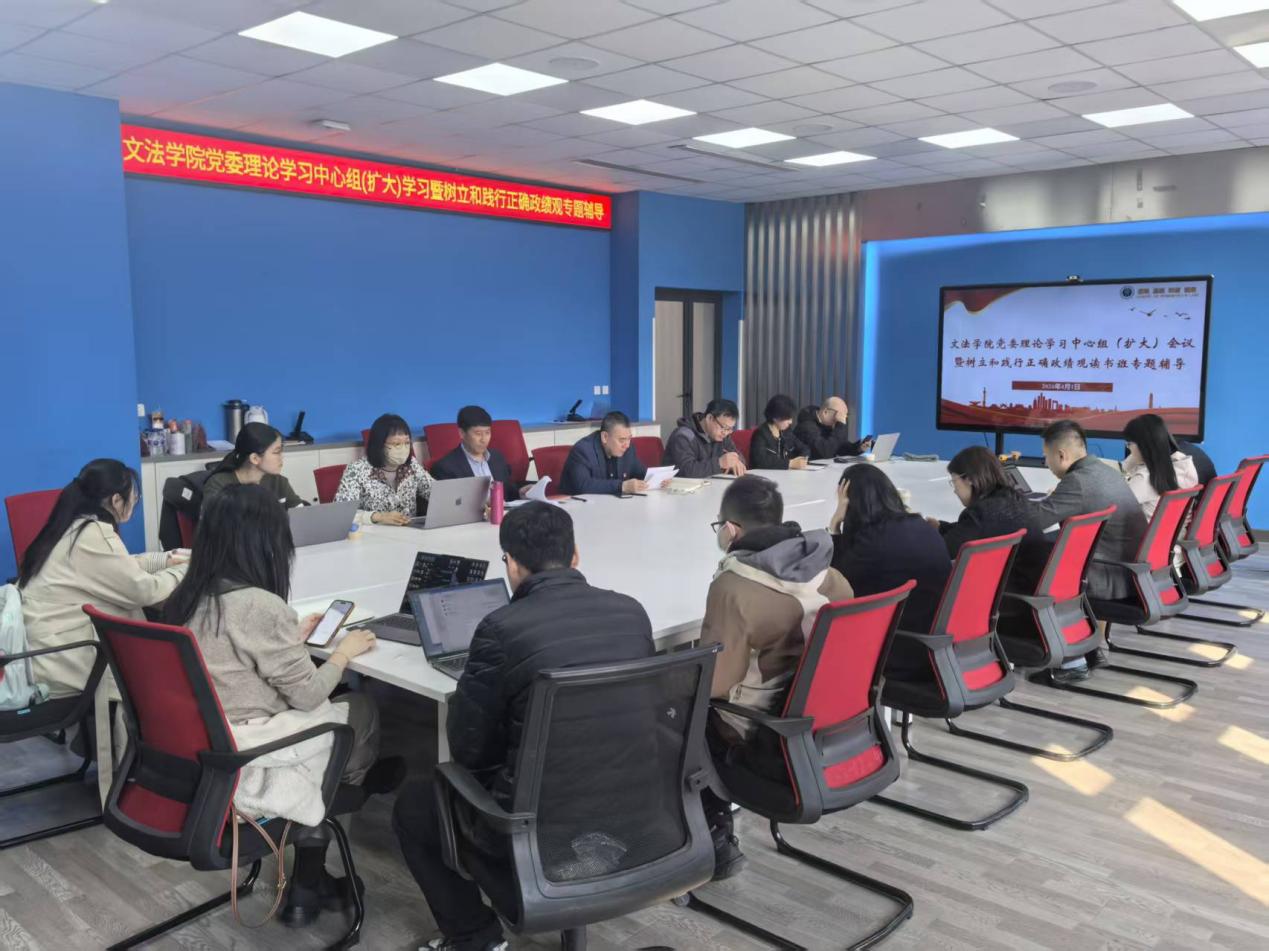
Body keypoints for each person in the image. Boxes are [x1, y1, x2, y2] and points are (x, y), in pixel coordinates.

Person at [392, 502, 654, 951]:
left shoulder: (501, 628)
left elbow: (467, 749)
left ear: (511, 564)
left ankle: (475, 938)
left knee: (415, 806)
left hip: (535, 829)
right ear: (575, 555)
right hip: (637, 811)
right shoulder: (631, 612)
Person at [164, 483, 387, 927]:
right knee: (360, 709)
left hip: (199, 752)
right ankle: (314, 863)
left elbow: (236, 659)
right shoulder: (260, 606)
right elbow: (309, 694)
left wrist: (290, 640)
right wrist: (343, 653)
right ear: (265, 540)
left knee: (334, 716)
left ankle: (310, 875)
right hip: (251, 759)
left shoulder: (185, 598)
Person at [700, 475, 852, 878]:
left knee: (678, 713)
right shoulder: (830, 575)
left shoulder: (734, 587)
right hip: (831, 727)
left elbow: (715, 684)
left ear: (731, 529)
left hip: (763, 735)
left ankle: (714, 837)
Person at [19, 458, 188, 698]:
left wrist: (164, 560)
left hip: (41, 646)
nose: (135, 503)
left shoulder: (71, 524)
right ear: (116, 500)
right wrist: (186, 570)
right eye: (135, 498)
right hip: (61, 657)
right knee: (131, 614)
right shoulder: (93, 533)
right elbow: (144, 590)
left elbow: (111, 568)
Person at [1026, 420, 1148, 684]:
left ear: (1061, 455)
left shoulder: (1078, 482)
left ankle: (1072, 663)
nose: (1046, 464)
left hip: (1110, 577)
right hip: (1129, 572)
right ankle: (1089, 648)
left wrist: (1007, 504)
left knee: (1031, 565)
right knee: (1047, 552)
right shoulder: (1103, 471)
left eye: (1046, 457)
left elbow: (1035, 520)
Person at [829, 464, 951, 680]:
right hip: (937, 645)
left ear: (851, 503)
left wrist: (834, 526)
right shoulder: (922, 527)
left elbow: (837, 584)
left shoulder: (871, 543)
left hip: (897, 650)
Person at [930, 446, 1048, 591]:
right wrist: (940, 527)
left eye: (954, 481)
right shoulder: (1014, 499)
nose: (954, 490)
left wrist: (923, 533)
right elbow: (974, 529)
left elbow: (945, 551)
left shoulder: (981, 511)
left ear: (970, 479)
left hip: (1010, 592)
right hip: (1032, 583)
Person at [335, 413, 435, 525]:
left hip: (410, 531)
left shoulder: (411, 465)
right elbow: (341, 513)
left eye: (407, 443)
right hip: (373, 534)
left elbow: (436, 492)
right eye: (397, 444)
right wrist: (378, 517)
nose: (403, 448)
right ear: (379, 445)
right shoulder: (356, 471)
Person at [202, 422, 305, 513]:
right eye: (276, 452)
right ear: (255, 458)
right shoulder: (218, 485)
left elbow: (302, 517)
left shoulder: (279, 482)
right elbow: (214, 525)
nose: (281, 457)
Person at [430, 405, 526, 503]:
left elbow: (508, 493)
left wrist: (520, 492)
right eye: (478, 434)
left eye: (487, 432)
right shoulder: (446, 468)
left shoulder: (497, 457)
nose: (484, 439)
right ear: (462, 433)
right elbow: (451, 505)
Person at [1123, 414, 1200, 521]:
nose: (1129, 448)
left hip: (1144, 531)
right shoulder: (1184, 465)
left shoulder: (1143, 479)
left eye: (1129, 444)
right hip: (1175, 529)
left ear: (1143, 446)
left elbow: (1117, 506)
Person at [559, 410, 648, 496]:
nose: (627, 445)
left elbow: (642, 474)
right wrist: (621, 486)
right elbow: (583, 485)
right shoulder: (583, 450)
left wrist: (654, 479)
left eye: (629, 438)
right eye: (622, 440)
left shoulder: (628, 449)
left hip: (612, 503)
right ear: (605, 437)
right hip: (578, 503)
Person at [664, 398, 746, 477]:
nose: (726, 433)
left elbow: (739, 457)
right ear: (709, 418)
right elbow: (687, 470)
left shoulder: (723, 436)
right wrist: (719, 463)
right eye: (724, 427)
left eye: (730, 429)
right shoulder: (683, 436)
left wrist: (735, 461)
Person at [794, 396, 872, 460]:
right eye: (838, 415)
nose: (840, 419)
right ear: (825, 412)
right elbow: (825, 451)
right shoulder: (806, 426)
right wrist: (840, 425)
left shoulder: (826, 425)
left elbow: (840, 447)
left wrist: (858, 447)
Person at [747, 394, 810, 470]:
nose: (791, 422)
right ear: (775, 417)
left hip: (784, 474)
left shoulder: (786, 432)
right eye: (787, 418)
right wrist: (790, 463)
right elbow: (761, 461)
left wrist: (802, 459)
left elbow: (804, 448)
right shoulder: (760, 434)